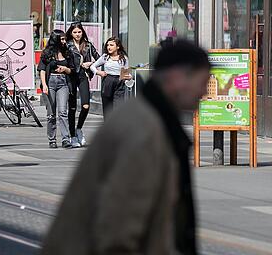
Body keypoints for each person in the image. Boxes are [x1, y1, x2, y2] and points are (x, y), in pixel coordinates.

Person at [42, 40, 209, 255]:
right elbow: (118, 230)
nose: (204, 91)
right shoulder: (143, 130)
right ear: (177, 78)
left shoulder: (153, 120)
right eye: (202, 81)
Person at [66, 22, 100, 148]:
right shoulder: (67, 45)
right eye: (74, 32)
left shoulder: (88, 45)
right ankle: (72, 135)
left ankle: (79, 128)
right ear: (71, 33)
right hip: (70, 76)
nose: (77, 34)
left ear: (82, 32)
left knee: (85, 106)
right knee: (72, 107)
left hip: (83, 76)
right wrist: (79, 64)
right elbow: (65, 61)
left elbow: (99, 59)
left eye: (79, 32)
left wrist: (90, 63)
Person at [39, 30, 75, 149]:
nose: (64, 41)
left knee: (63, 112)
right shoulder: (47, 53)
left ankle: (65, 139)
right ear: (56, 40)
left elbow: (72, 70)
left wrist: (65, 69)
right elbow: (42, 70)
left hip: (63, 82)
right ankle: (52, 139)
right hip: (50, 82)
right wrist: (44, 85)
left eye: (65, 39)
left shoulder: (67, 52)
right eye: (62, 39)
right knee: (51, 113)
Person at [91, 36, 132, 117]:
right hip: (107, 81)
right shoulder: (105, 57)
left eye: (111, 45)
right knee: (107, 109)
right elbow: (92, 66)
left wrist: (129, 77)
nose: (109, 47)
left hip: (119, 83)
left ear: (118, 46)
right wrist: (98, 72)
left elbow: (126, 73)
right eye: (108, 45)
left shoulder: (124, 58)